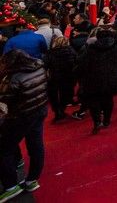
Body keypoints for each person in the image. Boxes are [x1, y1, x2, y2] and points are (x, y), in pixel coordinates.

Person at [0, 50, 48, 200]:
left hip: (20, 116)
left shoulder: (12, 79)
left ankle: (11, 185)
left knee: (3, 149)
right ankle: (32, 179)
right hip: (39, 110)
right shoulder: (39, 67)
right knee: (36, 145)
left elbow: (4, 100)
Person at [74, 29, 117, 134]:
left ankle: (97, 121)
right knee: (108, 99)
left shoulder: (91, 48)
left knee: (94, 101)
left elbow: (82, 63)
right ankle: (106, 120)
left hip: (93, 79)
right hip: (112, 77)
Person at [44, 36, 77, 121]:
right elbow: (76, 62)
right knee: (66, 94)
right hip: (68, 75)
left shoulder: (50, 52)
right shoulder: (71, 51)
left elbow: (45, 65)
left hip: (54, 75)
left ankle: (57, 111)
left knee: (53, 95)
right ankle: (61, 109)